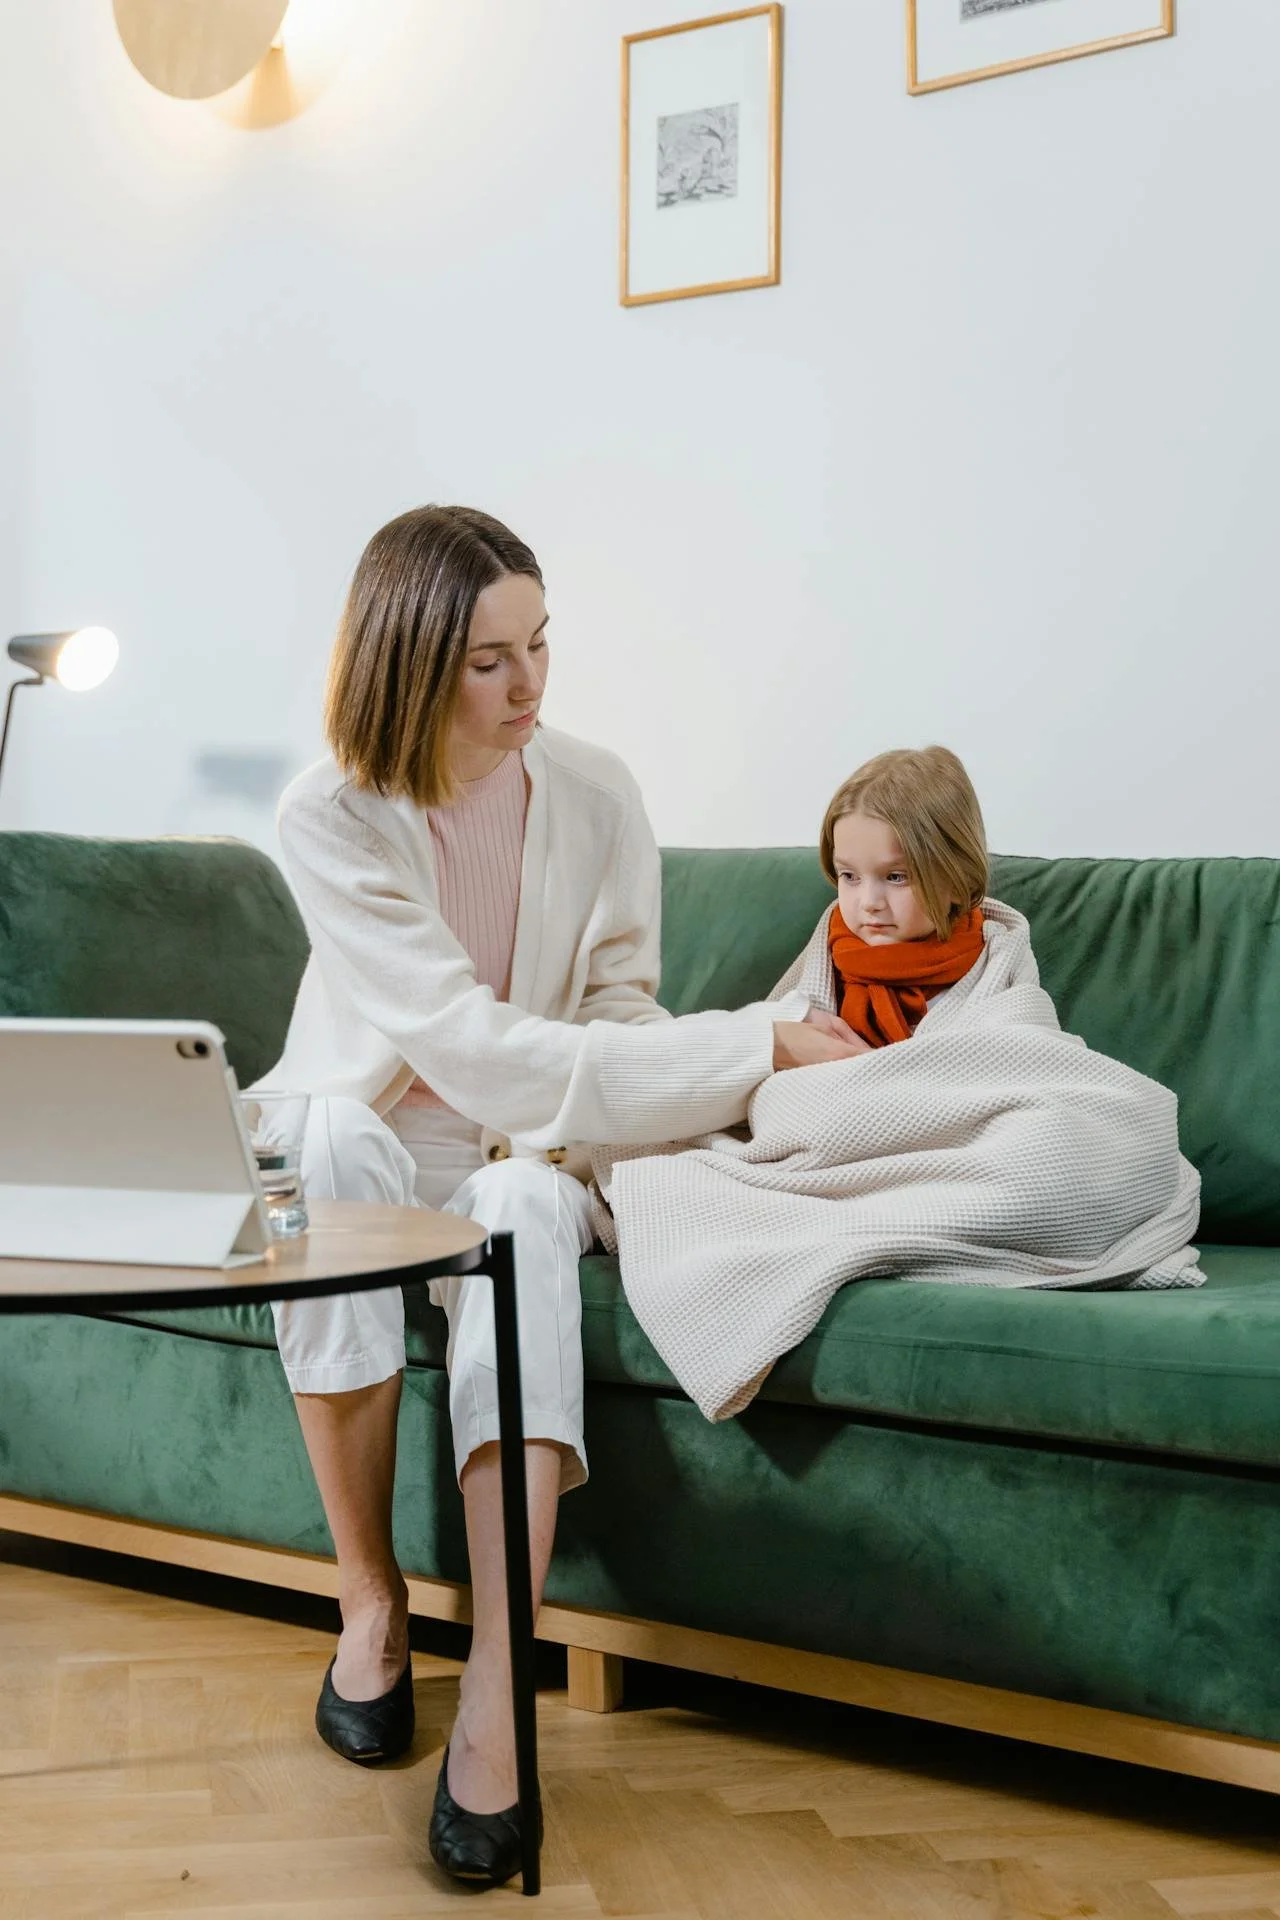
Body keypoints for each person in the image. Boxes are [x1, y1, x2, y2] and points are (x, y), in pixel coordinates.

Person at [261, 504, 859, 1887]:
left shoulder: (598, 793)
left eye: (541, 647)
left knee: (528, 1208)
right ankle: (369, 1608)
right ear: (406, 665)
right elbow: (464, 1042)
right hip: (382, 1130)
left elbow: (613, 1018)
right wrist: (752, 1041)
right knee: (335, 1145)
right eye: (488, 661)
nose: (531, 687)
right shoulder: (328, 812)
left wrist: (720, 1055)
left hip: (525, 1154)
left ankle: (497, 1690)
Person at [810, 743, 991, 1049]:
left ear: (958, 882)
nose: (869, 903)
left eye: (896, 877)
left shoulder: (995, 966)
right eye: (849, 876)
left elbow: (1022, 1056)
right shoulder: (828, 955)